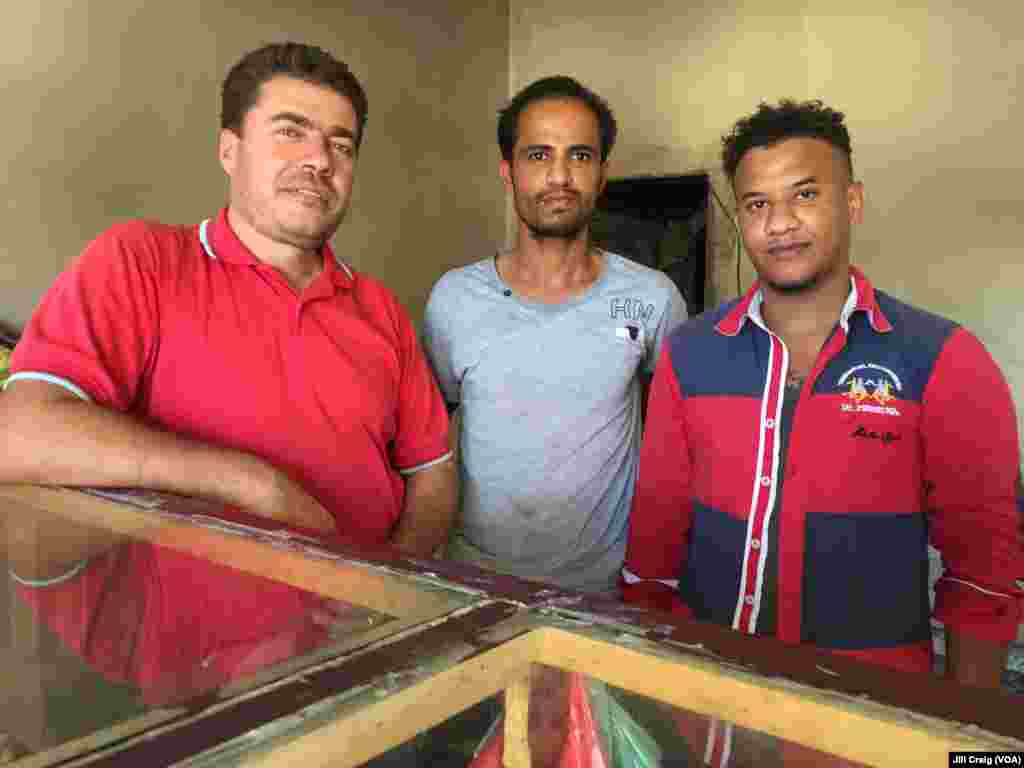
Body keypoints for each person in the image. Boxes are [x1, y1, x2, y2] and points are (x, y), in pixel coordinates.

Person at [0, 42, 455, 707]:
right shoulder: (142, 262)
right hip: (194, 697)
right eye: (290, 132)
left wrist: (389, 583)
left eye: (341, 145)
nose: (318, 160)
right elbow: (19, 436)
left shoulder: (378, 307)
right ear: (229, 150)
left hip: (366, 673)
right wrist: (253, 485)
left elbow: (433, 472)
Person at [622, 99, 1022, 764]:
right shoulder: (690, 354)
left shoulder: (943, 360)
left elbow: (983, 580)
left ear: (853, 202)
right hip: (707, 711)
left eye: (804, 195)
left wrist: (962, 741)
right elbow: (656, 543)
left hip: (872, 721)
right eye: (755, 204)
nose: (779, 224)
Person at [423, 76, 688, 595]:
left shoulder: (654, 299)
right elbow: (423, 450)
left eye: (581, 156)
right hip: (477, 590)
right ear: (509, 170)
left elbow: (676, 452)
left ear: (603, 173)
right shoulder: (453, 300)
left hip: (605, 598)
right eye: (539, 155)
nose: (560, 176)